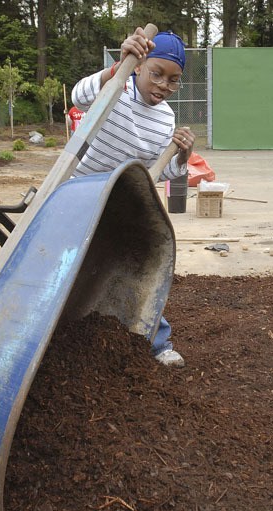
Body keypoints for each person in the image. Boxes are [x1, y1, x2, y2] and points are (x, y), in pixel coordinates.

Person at [72, 29, 195, 368]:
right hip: (77, 193)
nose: (163, 86)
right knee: (67, 266)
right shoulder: (118, 88)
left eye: (173, 81)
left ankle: (158, 342)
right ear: (140, 67)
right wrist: (116, 67)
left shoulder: (166, 118)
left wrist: (182, 157)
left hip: (118, 203)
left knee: (139, 265)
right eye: (157, 73)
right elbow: (78, 96)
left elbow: (161, 172)